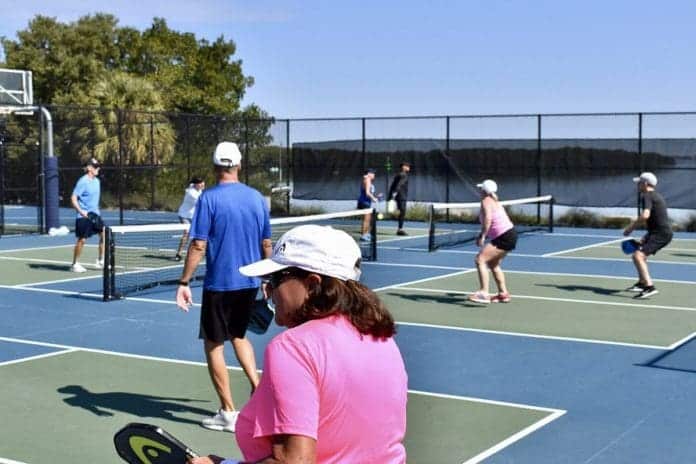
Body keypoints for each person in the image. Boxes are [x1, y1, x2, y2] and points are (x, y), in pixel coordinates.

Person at [190, 224, 408, 464]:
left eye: (275, 279)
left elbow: (295, 461)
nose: (268, 291)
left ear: (313, 284)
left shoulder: (292, 348)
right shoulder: (383, 338)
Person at [176, 141, 273, 433]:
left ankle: (228, 413)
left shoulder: (208, 198)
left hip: (220, 284)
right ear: (238, 165)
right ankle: (259, 391)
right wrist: (268, 279)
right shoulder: (257, 198)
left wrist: (184, 282)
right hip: (250, 283)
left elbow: (198, 244)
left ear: (216, 167)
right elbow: (266, 243)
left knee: (213, 344)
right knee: (239, 335)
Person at [623, 172, 672, 299]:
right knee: (640, 254)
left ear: (645, 184)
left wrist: (630, 228)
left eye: (639, 183)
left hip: (661, 234)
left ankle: (649, 287)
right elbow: (658, 219)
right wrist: (647, 236)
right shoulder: (656, 196)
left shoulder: (647, 196)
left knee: (637, 256)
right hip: (659, 232)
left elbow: (645, 215)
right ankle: (641, 283)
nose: (637, 185)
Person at [468, 179, 517, 304]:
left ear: (484, 190)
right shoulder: (494, 200)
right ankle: (503, 294)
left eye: (481, 189)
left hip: (504, 236)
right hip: (509, 234)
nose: (479, 191)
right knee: (493, 264)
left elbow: (488, 219)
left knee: (480, 259)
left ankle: (484, 293)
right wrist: (481, 235)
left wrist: (483, 236)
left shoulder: (486, 201)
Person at [70, 157, 104, 273]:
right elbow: (73, 198)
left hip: (95, 215)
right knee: (82, 240)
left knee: (104, 236)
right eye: (95, 167)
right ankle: (75, 264)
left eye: (98, 166)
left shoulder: (97, 181)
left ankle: (100, 261)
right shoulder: (82, 181)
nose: (97, 169)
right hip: (84, 216)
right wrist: (81, 211)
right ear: (89, 168)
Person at [175, 177, 206, 261]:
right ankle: (179, 254)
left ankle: (201, 251)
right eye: (200, 183)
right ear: (196, 185)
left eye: (203, 182)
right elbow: (203, 202)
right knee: (187, 233)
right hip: (184, 215)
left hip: (193, 216)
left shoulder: (196, 188)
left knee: (201, 233)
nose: (202, 184)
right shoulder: (192, 193)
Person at [356, 168, 380, 242]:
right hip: (364, 202)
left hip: (366, 202)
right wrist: (374, 199)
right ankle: (363, 235)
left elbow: (369, 192)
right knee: (366, 220)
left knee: (368, 219)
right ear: (369, 173)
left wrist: (376, 197)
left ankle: (366, 234)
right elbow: (367, 193)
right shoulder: (367, 180)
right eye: (373, 173)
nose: (374, 175)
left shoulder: (367, 180)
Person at [388, 161, 411, 235]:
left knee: (401, 212)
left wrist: (391, 195)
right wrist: (395, 193)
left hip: (399, 196)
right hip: (401, 196)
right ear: (403, 167)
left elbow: (392, 185)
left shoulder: (398, 174)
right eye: (407, 166)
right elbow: (399, 184)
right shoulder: (404, 175)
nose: (409, 167)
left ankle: (400, 228)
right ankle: (400, 229)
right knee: (402, 212)